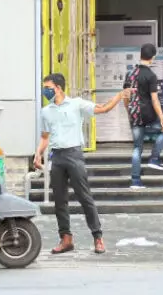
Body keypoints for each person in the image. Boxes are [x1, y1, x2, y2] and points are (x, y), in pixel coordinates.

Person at [33, 72, 126, 255]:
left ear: (58, 88)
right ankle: (66, 239)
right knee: (60, 200)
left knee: (85, 197)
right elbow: (45, 137)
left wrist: (118, 96)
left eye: (48, 88)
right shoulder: (46, 111)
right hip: (57, 157)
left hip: (74, 154)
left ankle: (97, 237)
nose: (45, 91)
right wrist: (38, 154)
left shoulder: (76, 104)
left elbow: (102, 109)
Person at [126, 43, 163, 189]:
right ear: (153, 58)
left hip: (134, 115)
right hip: (148, 115)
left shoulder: (130, 74)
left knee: (137, 147)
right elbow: (155, 100)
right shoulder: (151, 76)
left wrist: (129, 111)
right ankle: (154, 158)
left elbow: (125, 96)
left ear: (140, 55)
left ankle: (135, 181)